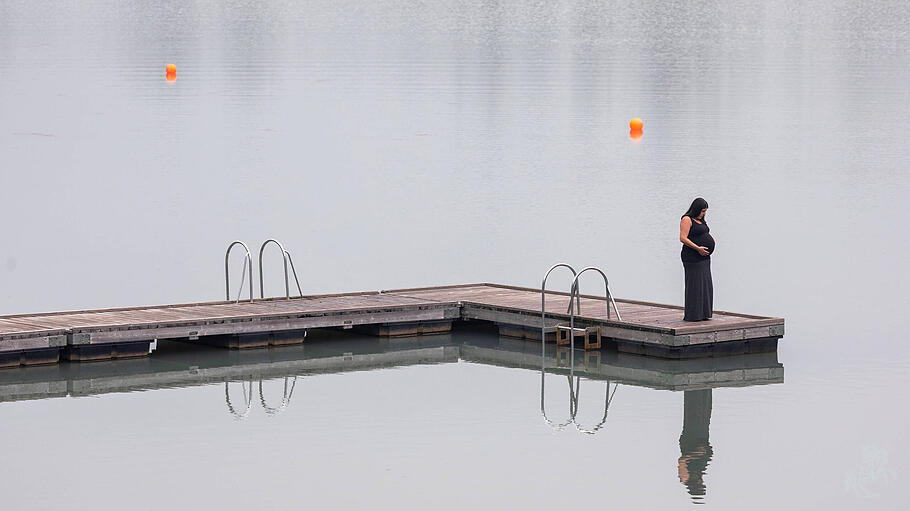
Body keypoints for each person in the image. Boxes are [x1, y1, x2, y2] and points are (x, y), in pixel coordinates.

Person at [679, 198, 715, 321]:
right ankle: (693, 315)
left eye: (705, 211)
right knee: (695, 285)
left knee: (705, 285)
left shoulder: (701, 221)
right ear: (696, 209)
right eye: (702, 211)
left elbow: (704, 233)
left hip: (704, 258)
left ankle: (704, 313)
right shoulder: (686, 219)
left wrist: (712, 241)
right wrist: (697, 248)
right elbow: (683, 238)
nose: (704, 214)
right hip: (692, 257)